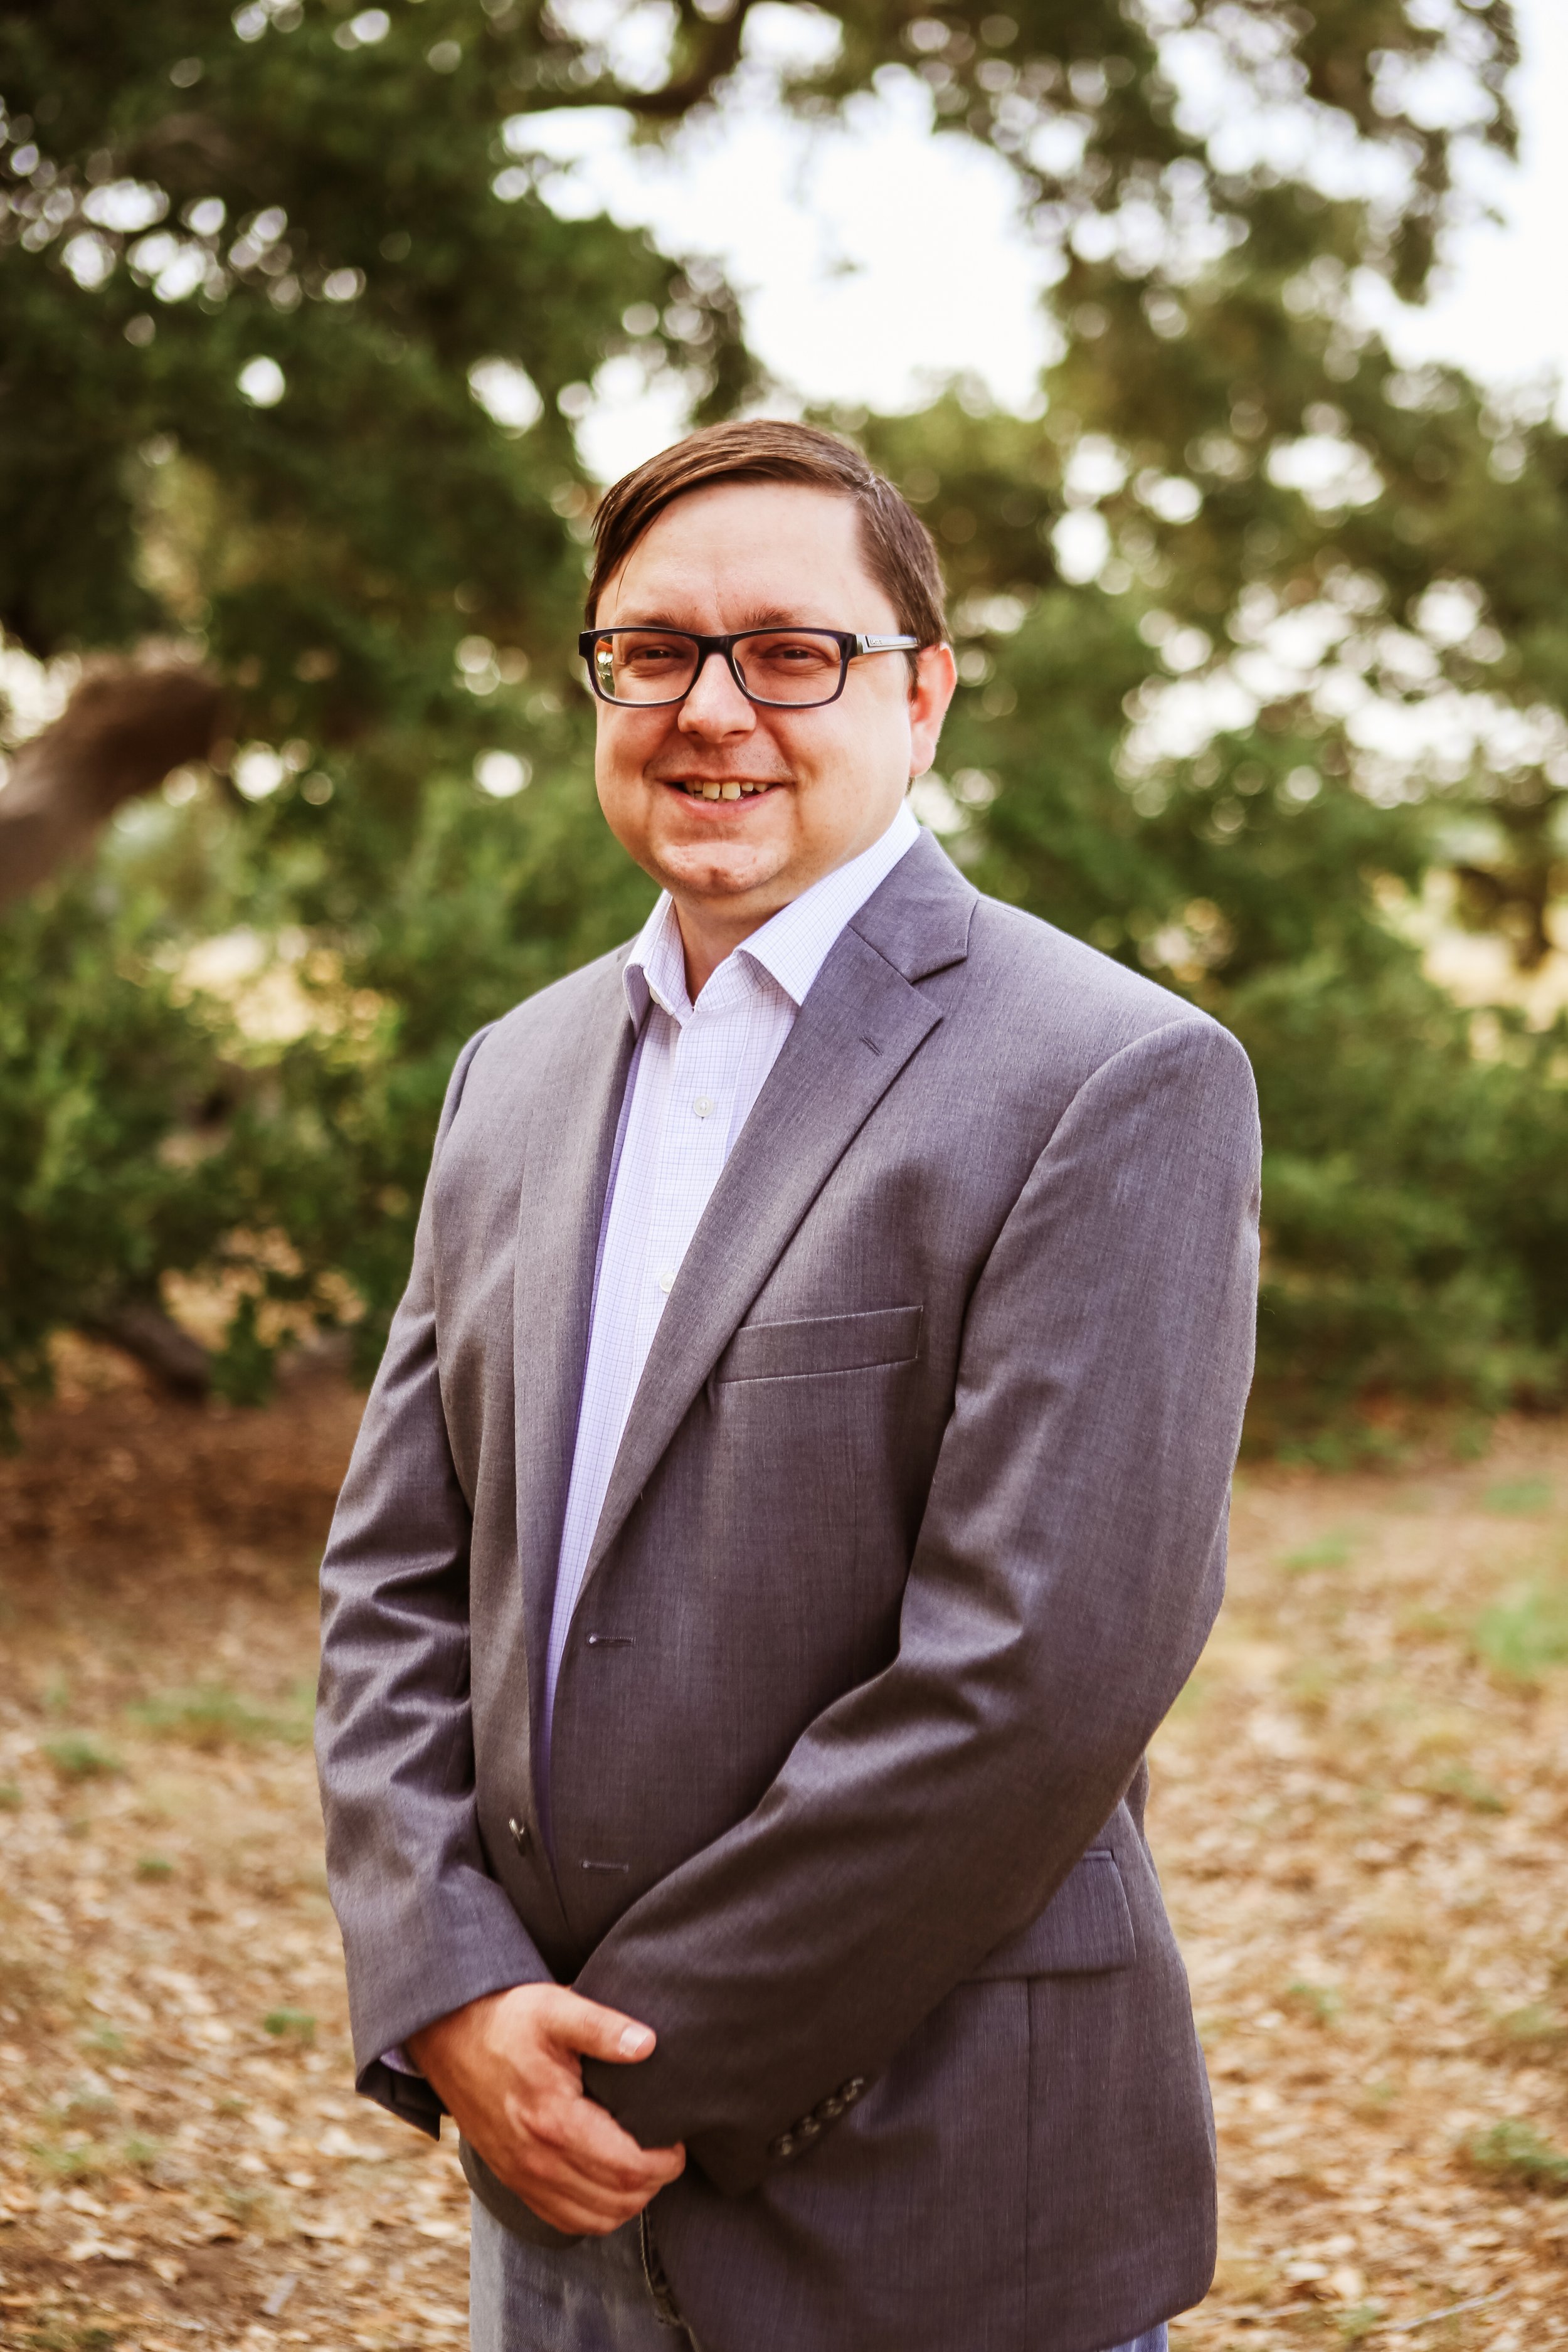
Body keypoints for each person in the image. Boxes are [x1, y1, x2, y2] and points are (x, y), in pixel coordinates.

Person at [315, 419, 1260, 2352]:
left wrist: (629, 2068)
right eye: (650, 650)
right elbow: (398, 1577)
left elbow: (1039, 1672)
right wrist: (450, 1985)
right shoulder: (518, 1069)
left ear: (920, 697)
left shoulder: (1115, 1076)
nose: (711, 707)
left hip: (921, 2183)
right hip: (539, 2165)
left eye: (791, 650)